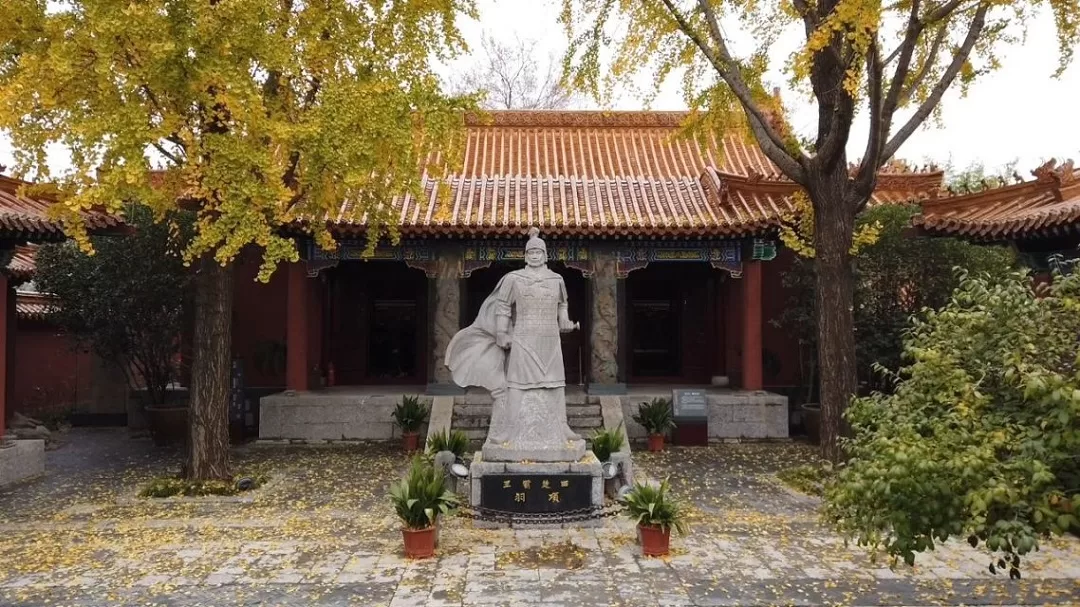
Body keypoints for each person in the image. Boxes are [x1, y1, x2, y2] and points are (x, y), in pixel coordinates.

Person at [445, 227, 585, 462]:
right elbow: (502, 308)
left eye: (538, 251)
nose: (534, 255)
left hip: (550, 339)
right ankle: (509, 429)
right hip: (523, 337)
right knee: (516, 385)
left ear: (545, 254)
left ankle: (563, 427)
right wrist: (501, 332)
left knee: (556, 384)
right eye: (530, 251)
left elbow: (562, 308)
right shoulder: (513, 279)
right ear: (525, 255)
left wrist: (566, 323)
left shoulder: (557, 280)